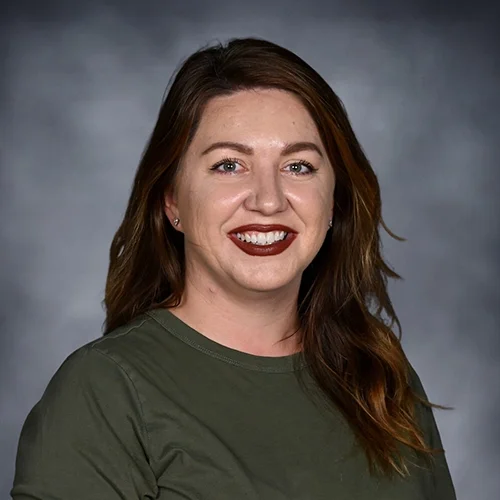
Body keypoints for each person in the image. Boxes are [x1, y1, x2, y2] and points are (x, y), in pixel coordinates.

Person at [11, 37, 456, 499]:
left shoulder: (381, 379)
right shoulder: (104, 391)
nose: (268, 200)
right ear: (171, 201)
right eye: (229, 165)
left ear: (334, 201)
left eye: (299, 166)